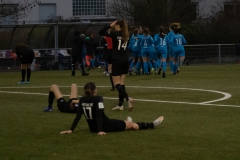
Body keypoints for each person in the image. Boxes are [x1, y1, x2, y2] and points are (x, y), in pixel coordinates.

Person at [60, 82, 164, 135]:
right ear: (95, 90)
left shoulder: (82, 100)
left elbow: (78, 116)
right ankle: (152, 124)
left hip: (92, 129)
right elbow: (99, 115)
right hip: (106, 125)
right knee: (131, 125)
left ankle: (127, 122)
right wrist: (101, 130)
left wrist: (71, 129)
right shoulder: (98, 98)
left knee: (124, 123)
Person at [99, 20, 134, 111]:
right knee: (121, 83)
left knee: (116, 84)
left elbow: (101, 32)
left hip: (117, 59)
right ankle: (120, 104)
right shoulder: (127, 35)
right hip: (125, 59)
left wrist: (110, 25)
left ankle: (127, 98)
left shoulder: (114, 33)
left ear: (118, 25)